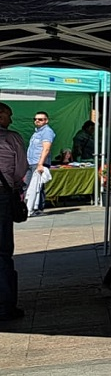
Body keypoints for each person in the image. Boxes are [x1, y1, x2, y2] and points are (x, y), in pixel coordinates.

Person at [0, 104, 28, 324]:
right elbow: (20, 170)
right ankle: (5, 305)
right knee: (2, 252)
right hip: (2, 196)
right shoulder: (12, 138)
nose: (11, 117)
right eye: (9, 114)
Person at [24, 111, 53, 217]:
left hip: (38, 162)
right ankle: (30, 207)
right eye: (35, 119)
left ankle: (37, 208)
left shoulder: (47, 132)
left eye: (40, 119)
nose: (37, 121)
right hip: (31, 162)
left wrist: (41, 164)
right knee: (29, 185)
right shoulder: (37, 132)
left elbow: (46, 148)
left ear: (46, 120)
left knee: (37, 186)